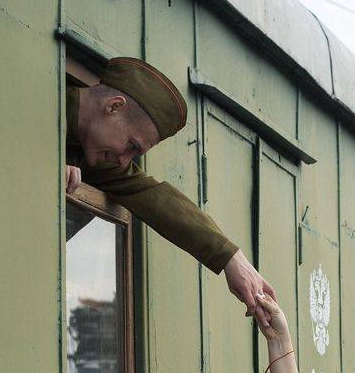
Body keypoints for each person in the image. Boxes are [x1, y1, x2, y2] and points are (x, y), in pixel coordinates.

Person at [64, 56, 273, 316]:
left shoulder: (97, 156)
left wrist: (230, 257)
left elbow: (154, 197)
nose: (124, 160)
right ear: (114, 107)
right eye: (131, 145)